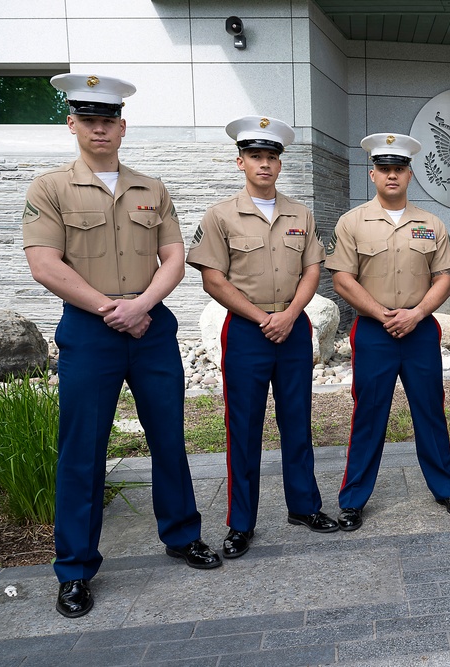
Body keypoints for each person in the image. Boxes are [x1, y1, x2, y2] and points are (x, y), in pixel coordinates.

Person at [22, 74, 220, 619]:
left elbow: (175, 257)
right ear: (73, 124)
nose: (99, 128)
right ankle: (75, 569)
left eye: (108, 120)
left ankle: (181, 535)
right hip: (91, 330)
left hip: (150, 328)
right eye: (89, 119)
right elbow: (44, 264)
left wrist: (141, 307)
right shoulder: (50, 188)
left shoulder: (152, 188)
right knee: (82, 452)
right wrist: (113, 309)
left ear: (123, 126)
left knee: (169, 440)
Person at [186, 115, 338, 559]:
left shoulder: (300, 214)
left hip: (292, 328)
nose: (264, 164)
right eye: (256, 156)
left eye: (271, 157)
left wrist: (291, 314)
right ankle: (240, 523)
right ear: (240, 162)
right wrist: (260, 317)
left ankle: (304, 506)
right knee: (244, 428)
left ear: (280, 163)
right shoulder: (220, 216)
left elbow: (313, 269)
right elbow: (212, 279)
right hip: (247, 333)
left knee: (297, 421)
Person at [325, 132, 450, 531]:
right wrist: (384, 314)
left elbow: (443, 278)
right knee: (368, 415)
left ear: (410, 174)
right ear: (372, 174)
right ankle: (353, 499)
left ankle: (446, 488)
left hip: (420, 330)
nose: (392, 175)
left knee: (430, 411)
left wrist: (417, 313)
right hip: (374, 333)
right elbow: (342, 279)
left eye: (400, 169)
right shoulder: (352, 222)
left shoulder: (431, 223)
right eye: (385, 169)